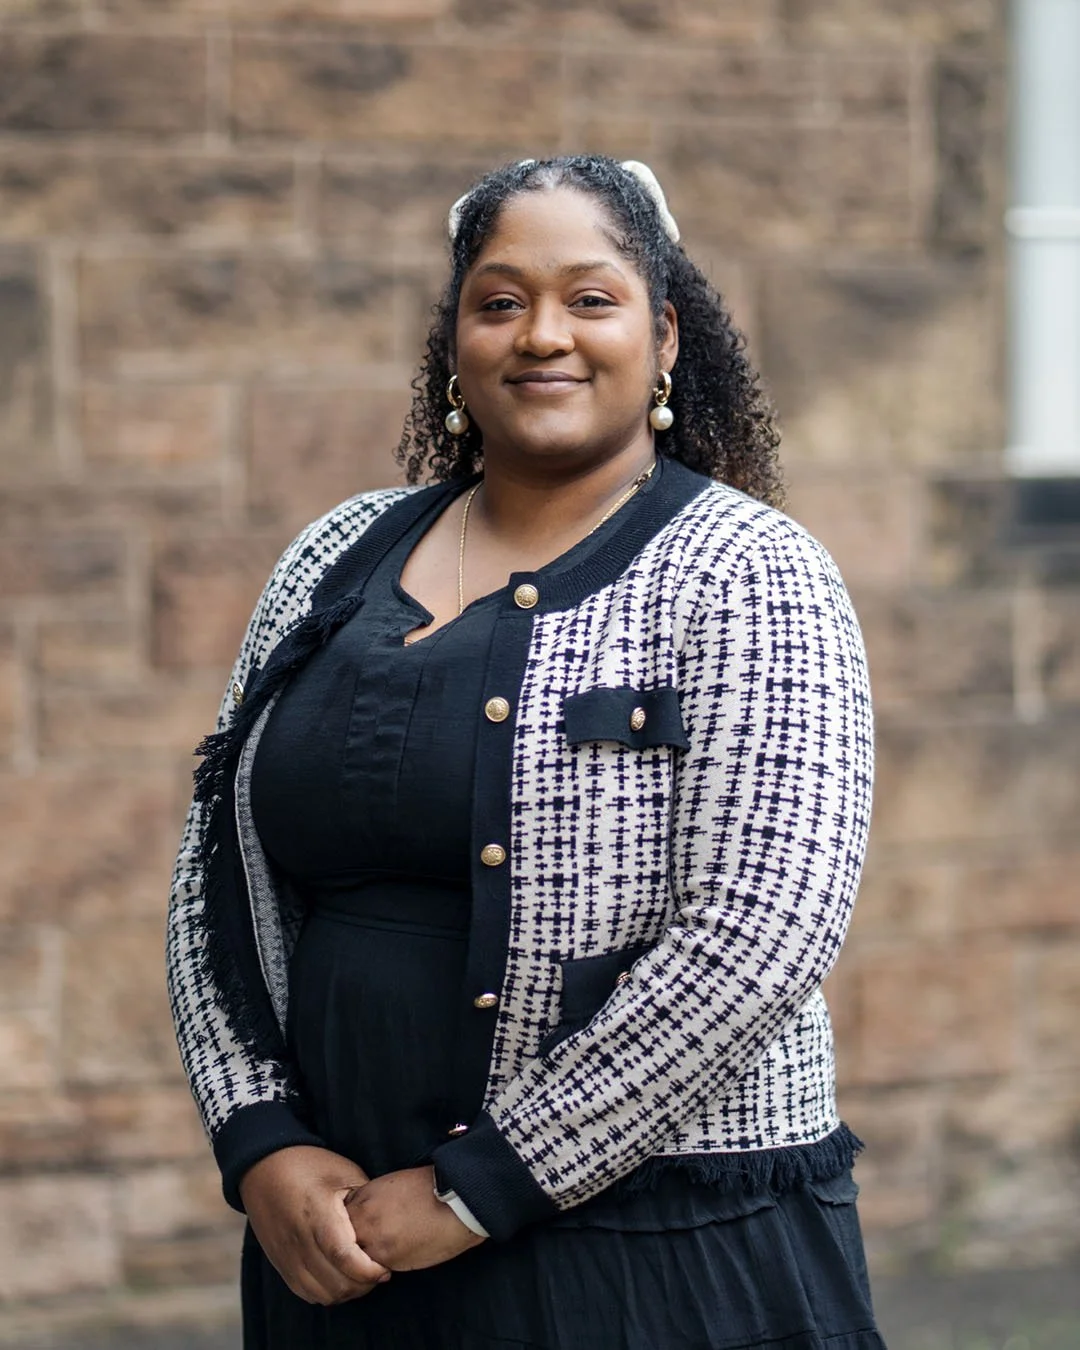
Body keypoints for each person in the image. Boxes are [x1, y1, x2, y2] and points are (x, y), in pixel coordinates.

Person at [167, 154, 883, 1349]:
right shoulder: (334, 555)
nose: (541, 335)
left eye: (589, 300)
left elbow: (764, 931)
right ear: (455, 344)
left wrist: (478, 1187)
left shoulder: (749, 571)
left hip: (651, 1245)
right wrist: (261, 1140)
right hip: (342, 1243)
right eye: (499, 302)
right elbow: (214, 876)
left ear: (662, 339)